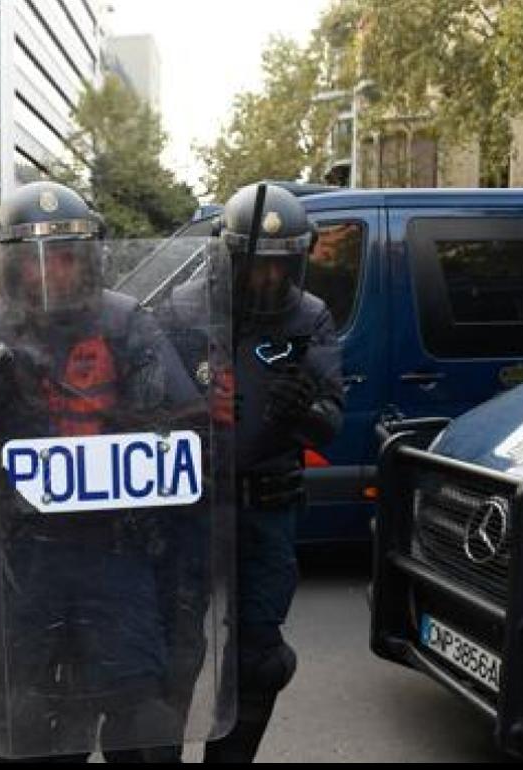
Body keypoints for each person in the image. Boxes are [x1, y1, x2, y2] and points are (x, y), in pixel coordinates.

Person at [0, 181, 207, 762]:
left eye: (66, 257)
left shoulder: (129, 324)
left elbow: (189, 434)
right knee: (32, 715)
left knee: (139, 714)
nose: (51, 273)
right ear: (10, 267)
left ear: (89, 260)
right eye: (34, 260)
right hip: (26, 554)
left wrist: (146, 422)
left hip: (116, 548)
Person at [163, 183, 344, 762]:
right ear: (231, 256)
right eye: (257, 265)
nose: (269, 279)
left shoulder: (310, 315)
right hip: (189, 510)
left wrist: (305, 411)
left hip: (266, 510)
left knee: (258, 660)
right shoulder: (183, 307)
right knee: (171, 651)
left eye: (280, 266)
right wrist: (192, 411)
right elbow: (143, 405)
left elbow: (331, 422)